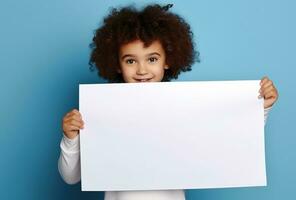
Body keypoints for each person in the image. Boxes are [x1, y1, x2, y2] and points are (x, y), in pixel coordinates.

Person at [58, 4, 279, 200]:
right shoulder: (100, 110)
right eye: (131, 60)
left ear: (167, 60)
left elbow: (228, 141)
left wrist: (262, 107)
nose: (142, 70)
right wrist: (71, 139)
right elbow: (70, 177)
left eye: (152, 59)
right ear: (117, 64)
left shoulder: (183, 106)